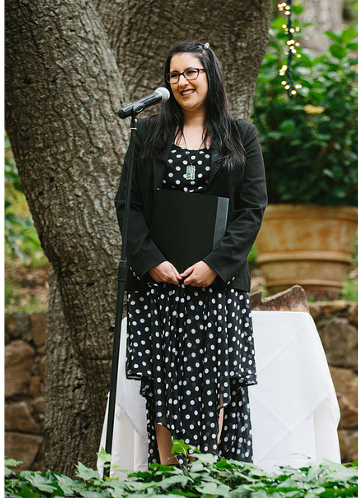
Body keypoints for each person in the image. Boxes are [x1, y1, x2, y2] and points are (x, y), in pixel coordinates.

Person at [115, 41, 267, 464]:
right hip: (161, 285)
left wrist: (215, 266)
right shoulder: (147, 133)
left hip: (217, 288)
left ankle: (206, 476)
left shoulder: (241, 135)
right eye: (173, 75)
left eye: (190, 72)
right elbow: (128, 205)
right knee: (164, 386)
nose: (181, 81)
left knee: (212, 386)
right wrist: (151, 262)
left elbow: (252, 209)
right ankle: (168, 478)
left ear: (211, 76)